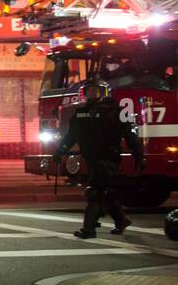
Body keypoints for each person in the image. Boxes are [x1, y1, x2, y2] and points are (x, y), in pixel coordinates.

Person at [53, 79, 145, 239]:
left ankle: (89, 229)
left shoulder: (117, 112)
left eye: (97, 91)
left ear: (105, 93)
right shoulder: (81, 113)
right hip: (91, 158)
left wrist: (138, 155)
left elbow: (130, 136)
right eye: (90, 91)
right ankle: (121, 220)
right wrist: (60, 151)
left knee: (95, 192)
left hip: (108, 157)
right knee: (105, 193)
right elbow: (71, 136)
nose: (93, 94)